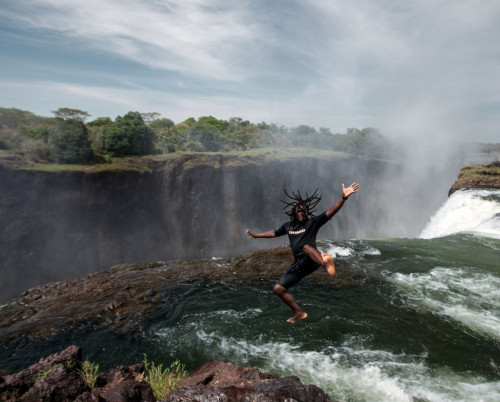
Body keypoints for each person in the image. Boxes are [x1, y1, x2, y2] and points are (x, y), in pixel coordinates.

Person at [246, 182, 359, 323]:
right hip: (299, 264)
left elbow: (331, 212)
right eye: (298, 210)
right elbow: (274, 233)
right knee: (278, 289)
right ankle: (299, 313)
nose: (301, 212)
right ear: (294, 212)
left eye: (304, 210)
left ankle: (325, 264)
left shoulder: (312, 222)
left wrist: (343, 197)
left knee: (306, 247)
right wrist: (256, 235)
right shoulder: (288, 226)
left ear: (307, 212)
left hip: (312, 259)